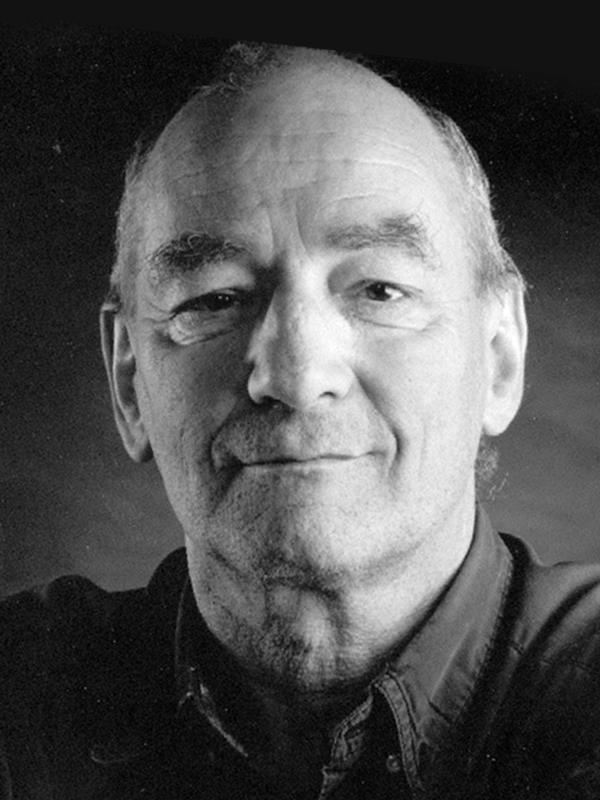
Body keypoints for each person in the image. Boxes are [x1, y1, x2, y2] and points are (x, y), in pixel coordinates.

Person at [1, 41, 599, 800]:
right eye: (215, 299)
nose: (294, 375)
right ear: (129, 381)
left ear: (499, 357)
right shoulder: (22, 702)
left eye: (379, 290)